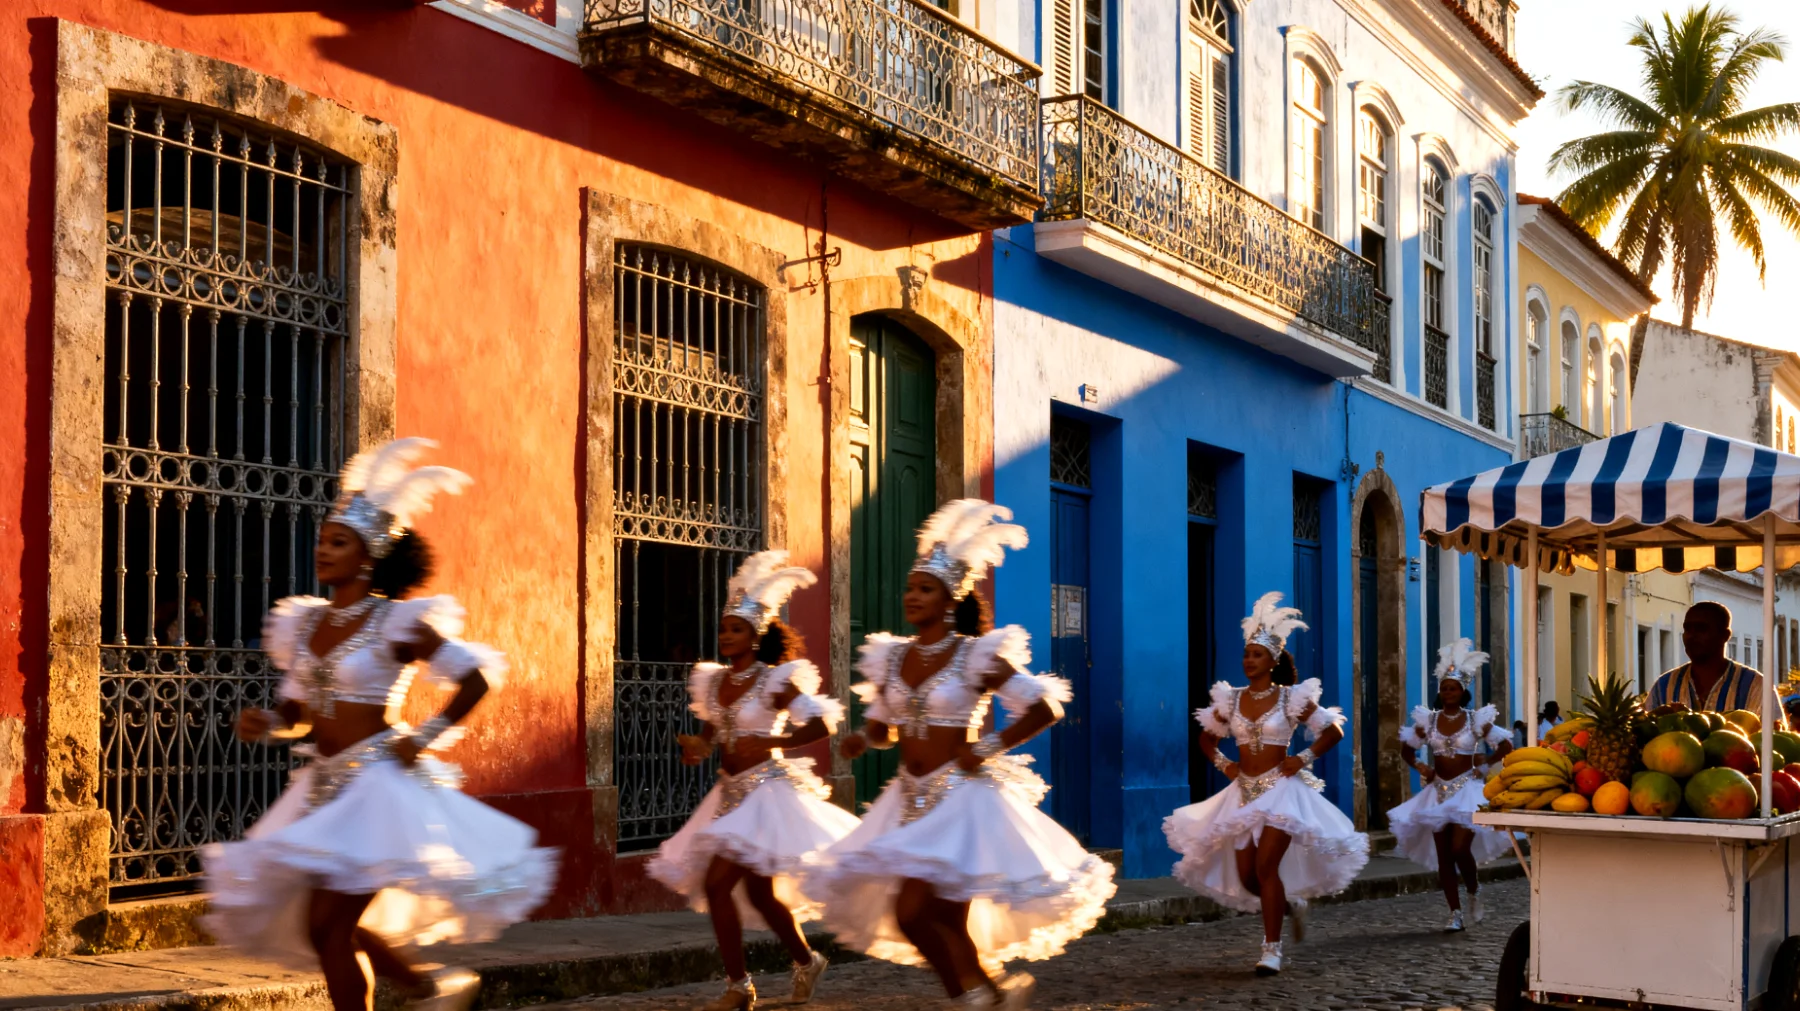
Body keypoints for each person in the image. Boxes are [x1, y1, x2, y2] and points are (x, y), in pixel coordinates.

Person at [202, 438, 556, 1011]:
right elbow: (298, 720)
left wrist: (425, 737)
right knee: (320, 922)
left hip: (380, 788)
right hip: (323, 791)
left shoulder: (398, 622)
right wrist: (266, 722)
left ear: (368, 556)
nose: (324, 549)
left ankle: (427, 986)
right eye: (322, 539)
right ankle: (431, 986)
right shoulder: (304, 626)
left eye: (338, 542)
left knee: (328, 927)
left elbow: (476, 681)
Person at [812, 500, 1116, 1010]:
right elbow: (885, 731)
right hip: (909, 803)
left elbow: (1045, 708)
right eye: (910, 587)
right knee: (941, 920)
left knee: (914, 914)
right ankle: (987, 996)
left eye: (924, 588)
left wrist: (990, 745)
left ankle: (973, 998)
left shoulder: (975, 654)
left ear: (951, 597)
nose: (912, 596)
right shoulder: (891, 658)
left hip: (962, 803)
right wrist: (864, 741)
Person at [647, 551, 858, 1011]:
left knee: (719, 885)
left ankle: (739, 986)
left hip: (768, 795)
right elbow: (710, 738)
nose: (726, 636)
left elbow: (822, 724)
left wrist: (774, 739)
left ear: (757, 633)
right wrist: (696, 749)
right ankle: (806, 960)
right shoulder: (715, 683)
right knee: (761, 894)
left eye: (736, 629)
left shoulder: (773, 682)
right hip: (730, 796)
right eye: (724, 628)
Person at [1162, 592, 1368, 976]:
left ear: (1273, 662)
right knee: (1248, 877)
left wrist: (1303, 758)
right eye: (1246, 655)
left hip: (1282, 791)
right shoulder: (1231, 700)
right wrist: (1224, 765)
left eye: (1257, 655)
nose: (1248, 661)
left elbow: (1333, 730)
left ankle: (1270, 949)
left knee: (1266, 865)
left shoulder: (1292, 697)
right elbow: (1207, 738)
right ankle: (1290, 907)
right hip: (1242, 793)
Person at [1385, 639, 1513, 932]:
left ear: (1463, 691)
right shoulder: (1428, 722)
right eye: (1444, 687)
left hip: (1467, 791)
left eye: (1453, 687)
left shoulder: (1475, 720)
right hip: (1438, 792)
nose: (1447, 692)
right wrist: (1421, 766)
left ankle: (1473, 888)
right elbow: (1406, 749)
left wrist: (1484, 763)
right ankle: (1454, 913)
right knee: (1444, 855)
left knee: (1459, 848)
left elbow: (1506, 745)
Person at [1648, 602, 1766, 715]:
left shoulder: (1755, 686)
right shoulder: (1664, 687)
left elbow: (1774, 732)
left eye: (1701, 629)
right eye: (1687, 629)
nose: (1691, 636)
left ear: (1725, 636)